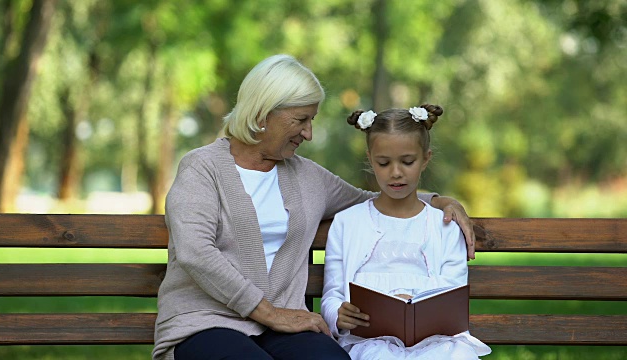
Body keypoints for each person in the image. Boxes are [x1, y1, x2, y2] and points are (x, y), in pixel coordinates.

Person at [152, 54, 476, 360]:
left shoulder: (306, 176)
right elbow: (196, 252)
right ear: (263, 114)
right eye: (301, 120)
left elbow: (374, 200)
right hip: (205, 322)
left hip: (281, 327)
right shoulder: (201, 168)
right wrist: (269, 313)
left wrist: (438, 200)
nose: (308, 133)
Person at [321, 106, 491, 359]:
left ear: (425, 159)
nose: (396, 172)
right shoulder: (348, 223)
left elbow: (453, 289)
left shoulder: (442, 225)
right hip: (369, 341)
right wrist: (338, 314)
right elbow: (332, 293)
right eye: (384, 162)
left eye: (407, 161)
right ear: (370, 159)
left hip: (436, 340)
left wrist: (412, 299)